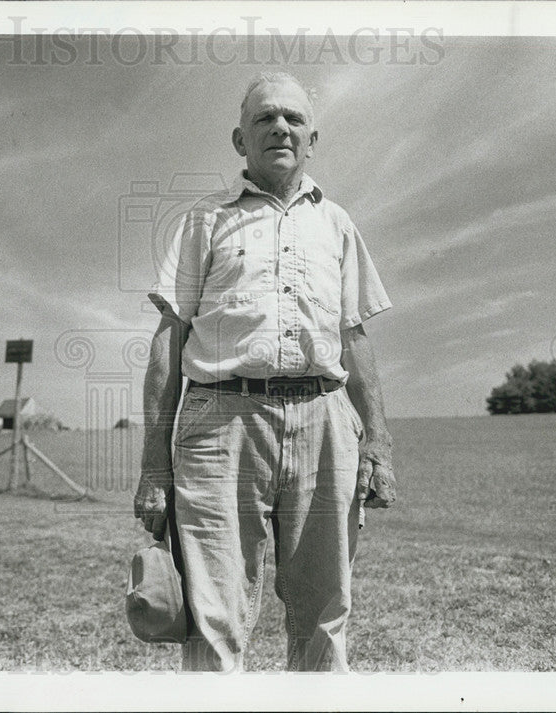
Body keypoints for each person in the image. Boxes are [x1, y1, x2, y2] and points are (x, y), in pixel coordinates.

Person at [133, 72, 396, 672]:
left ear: (313, 138)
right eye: (265, 119)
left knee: (324, 615)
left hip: (326, 423)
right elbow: (168, 340)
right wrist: (154, 465)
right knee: (213, 617)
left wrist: (379, 442)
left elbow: (354, 337)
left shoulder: (339, 225)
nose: (280, 127)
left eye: (294, 119)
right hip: (220, 426)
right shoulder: (204, 222)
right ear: (239, 139)